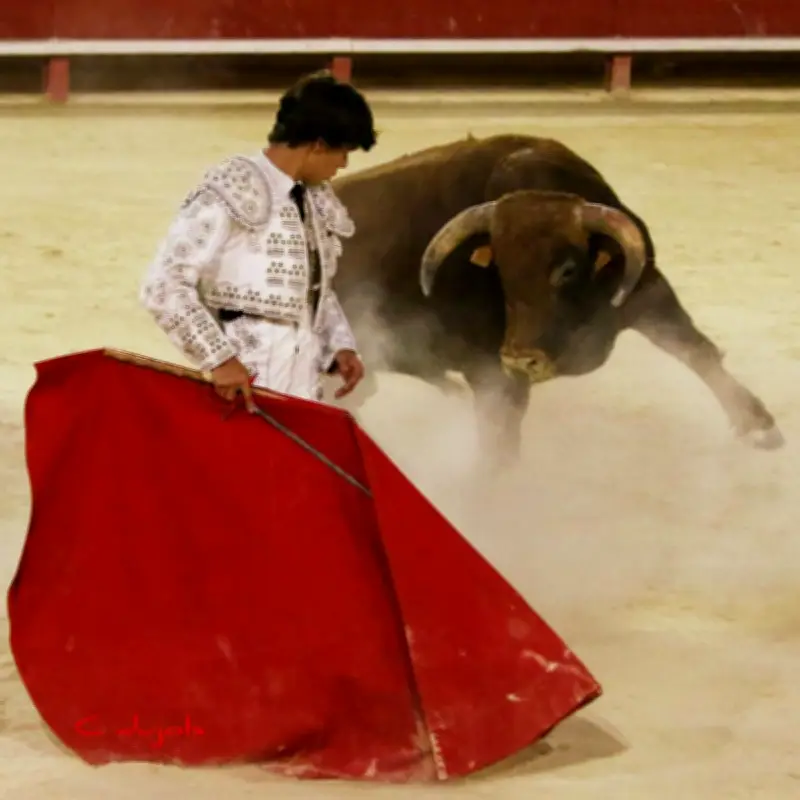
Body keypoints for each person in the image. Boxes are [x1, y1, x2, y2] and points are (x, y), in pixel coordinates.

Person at [139, 70, 377, 411]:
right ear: (318, 145)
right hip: (245, 377)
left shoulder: (315, 199)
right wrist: (218, 359)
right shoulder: (233, 187)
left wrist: (338, 345)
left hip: (302, 381)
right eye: (343, 151)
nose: (344, 164)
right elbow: (163, 284)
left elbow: (313, 290)